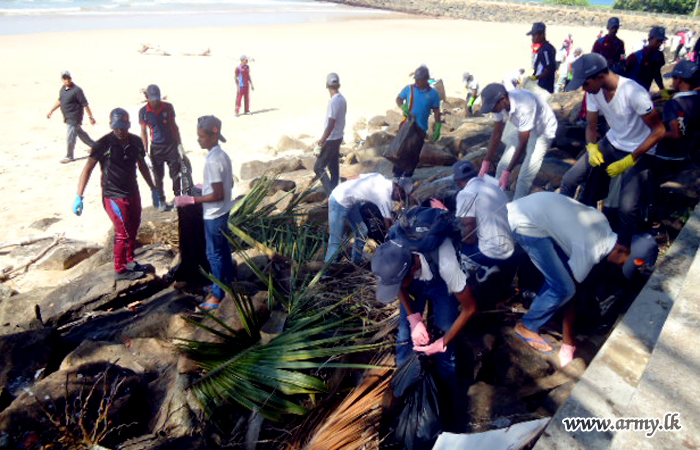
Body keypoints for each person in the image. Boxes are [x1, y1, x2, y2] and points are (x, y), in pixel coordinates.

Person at [506, 192, 658, 366]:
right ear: (621, 250)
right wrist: (568, 343)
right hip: (525, 221)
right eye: (625, 262)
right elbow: (571, 297)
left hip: (534, 206)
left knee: (559, 276)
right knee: (564, 288)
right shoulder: (591, 251)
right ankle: (527, 326)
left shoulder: (604, 228)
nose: (622, 266)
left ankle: (543, 312)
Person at [371, 234, 478, 428]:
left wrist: (443, 341)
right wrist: (414, 319)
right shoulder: (392, 252)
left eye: (400, 281)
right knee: (405, 340)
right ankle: (404, 395)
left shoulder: (447, 264)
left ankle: (446, 406)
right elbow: (400, 287)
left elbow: (470, 308)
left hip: (441, 282)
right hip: (415, 278)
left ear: (412, 269)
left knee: (446, 351)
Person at [561, 53, 665, 249]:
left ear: (600, 76)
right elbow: (591, 126)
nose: (584, 89)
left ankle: (622, 248)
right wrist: (591, 147)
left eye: (585, 83)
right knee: (569, 180)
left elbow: (659, 131)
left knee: (627, 208)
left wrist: (630, 159)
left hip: (638, 150)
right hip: (612, 142)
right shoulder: (594, 91)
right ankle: (562, 224)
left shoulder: (634, 94)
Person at [73, 108, 158, 281]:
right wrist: (79, 196)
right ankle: (120, 269)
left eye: (123, 127)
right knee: (123, 232)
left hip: (132, 192)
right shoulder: (103, 144)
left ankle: (130, 261)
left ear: (128, 125)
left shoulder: (135, 142)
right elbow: (87, 169)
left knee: (133, 228)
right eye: (117, 127)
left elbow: (141, 165)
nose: (120, 131)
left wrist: (153, 188)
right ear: (112, 126)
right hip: (113, 195)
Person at [175, 116, 236, 311]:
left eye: (202, 136)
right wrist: (205, 187)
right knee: (223, 249)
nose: (198, 140)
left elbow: (218, 194)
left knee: (214, 254)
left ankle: (218, 296)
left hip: (214, 213)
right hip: (224, 210)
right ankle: (226, 283)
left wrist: (192, 200)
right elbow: (228, 183)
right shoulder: (222, 155)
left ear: (213, 136)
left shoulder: (212, 162)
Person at [478, 83, 557, 199]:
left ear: (503, 99)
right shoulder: (499, 105)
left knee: (524, 176)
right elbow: (496, 133)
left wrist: (508, 172)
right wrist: (486, 162)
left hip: (543, 131)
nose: (493, 111)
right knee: (502, 166)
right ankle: (497, 199)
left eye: (493, 107)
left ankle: (517, 206)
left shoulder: (524, 105)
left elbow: (522, 144)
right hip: (522, 128)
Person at [325, 174, 411, 264]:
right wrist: (394, 240)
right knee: (336, 239)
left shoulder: (379, 177)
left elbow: (355, 177)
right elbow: (388, 223)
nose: (400, 199)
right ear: (397, 187)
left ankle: (356, 261)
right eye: (402, 195)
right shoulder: (383, 195)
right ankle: (328, 267)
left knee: (362, 231)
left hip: (350, 200)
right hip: (339, 201)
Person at [453, 161, 515, 266]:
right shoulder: (496, 188)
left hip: (491, 255)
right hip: (511, 250)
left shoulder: (465, 194)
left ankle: (481, 272)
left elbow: (469, 234)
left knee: (456, 247)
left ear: (458, 181)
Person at [139, 84, 183, 210]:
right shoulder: (144, 112)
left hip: (171, 145)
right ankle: (162, 201)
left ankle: (178, 199)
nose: (155, 102)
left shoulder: (168, 108)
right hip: (156, 147)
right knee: (158, 177)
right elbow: (144, 132)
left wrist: (179, 145)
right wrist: (145, 152)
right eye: (153, 99)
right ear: (148, 98)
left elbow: (174, 126)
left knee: (175, 175)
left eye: (157, 99)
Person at [654, 61, 700, 181]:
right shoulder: (697, 99)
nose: (672, 82)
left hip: (668, 155)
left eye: (673, 78)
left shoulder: (673, 104)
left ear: (679, 80)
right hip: (688, 153)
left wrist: (655, 132)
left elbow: (676, 134)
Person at [394, 65, 442, 178]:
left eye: (419, 79)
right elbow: (399, 99)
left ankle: (407, 175)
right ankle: (396, 175)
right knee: (402, 150)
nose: (417, 82)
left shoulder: (433, 94)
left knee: (414, 153)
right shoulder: (409, 89)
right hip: (408, 125)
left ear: (426, 79)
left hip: (421, 128)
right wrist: (403, 107)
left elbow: (436, 110)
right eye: (416, 79)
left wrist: (438, 126)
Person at [47, 70, 96, 164]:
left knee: (71, 136)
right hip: (67, 116)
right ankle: (97, 147)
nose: (67, 80)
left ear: (71, 78)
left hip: (74, 117)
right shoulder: (63, 89)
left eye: (68, 78)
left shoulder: (77, 90)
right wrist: (51, 110)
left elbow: (85, 104)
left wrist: (91, 117)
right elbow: (60, 101)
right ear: (62, 79)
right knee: (81, 134)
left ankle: (69, 156)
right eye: (65, 78)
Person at [314, 73, 347, 195]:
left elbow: (331, 124)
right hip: (338, 137)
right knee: (333, 168)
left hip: (332, 139)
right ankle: (336, 192)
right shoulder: (342, 99)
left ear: (327, 86)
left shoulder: (334, 102)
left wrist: (321, 141)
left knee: (318, 167)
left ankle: (331, 195)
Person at [625, 26, 667, 92]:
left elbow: (657, 75)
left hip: (644, 92)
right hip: (630, 92)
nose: (659, 44)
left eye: (661, 41)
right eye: (657, 41)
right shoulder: (635, 57)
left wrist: (664, 92)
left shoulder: (659, 56)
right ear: (650, 39)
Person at [527, 22, 557, 93]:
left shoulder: (546, 49)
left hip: (543, 87)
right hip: (539, 84)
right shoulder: (542, 48)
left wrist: (535, 78)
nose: (532, 38)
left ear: (542, 35)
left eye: (534, 35)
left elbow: (548, 69)